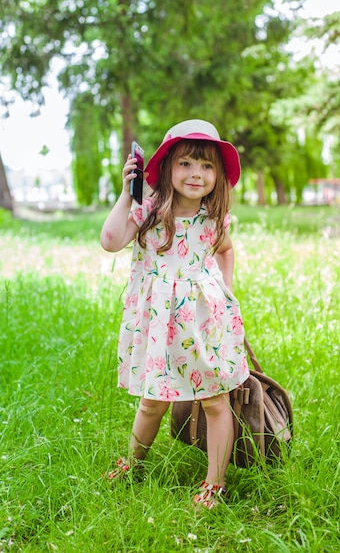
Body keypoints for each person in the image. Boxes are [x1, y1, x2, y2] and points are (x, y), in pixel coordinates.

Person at [100, 119, 249, 509]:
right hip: (157, 323)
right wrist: (125, 195)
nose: (196, 174)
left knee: (215, 400)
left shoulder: (213, 219)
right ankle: (132, 464)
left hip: (202, 322)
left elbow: (225, 249)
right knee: (152, 400)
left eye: (206, 166)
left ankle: (214, 482)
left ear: (218, 175)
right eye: (185, 163)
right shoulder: (148, 211)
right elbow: (110, 241)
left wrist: (225, 288)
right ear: (166, 168)